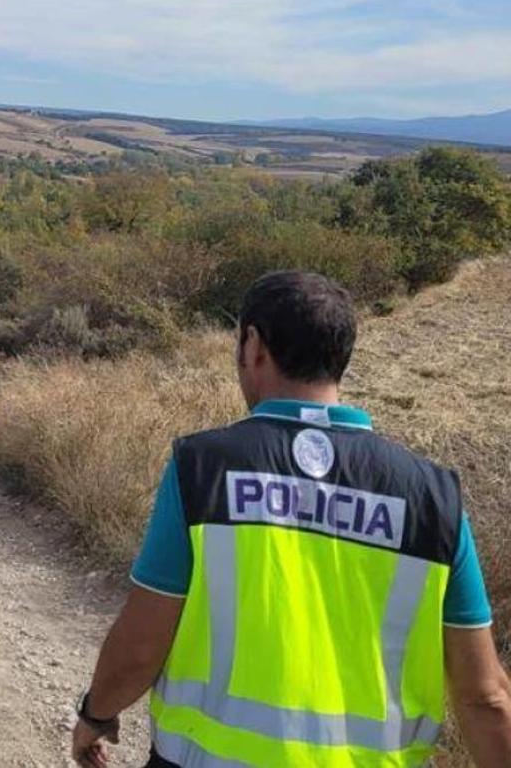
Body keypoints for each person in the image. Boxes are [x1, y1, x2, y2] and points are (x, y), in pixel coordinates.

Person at [72, 271, 510, 768]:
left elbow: (140, 646)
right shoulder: (433, 497)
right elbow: (484, 697)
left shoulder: (203, 468)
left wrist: (96, 715)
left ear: (253, 346)